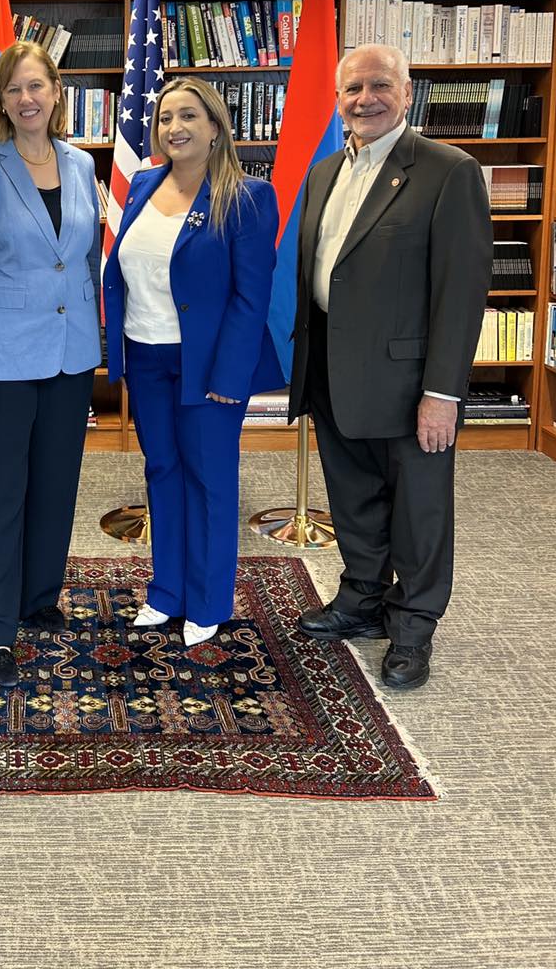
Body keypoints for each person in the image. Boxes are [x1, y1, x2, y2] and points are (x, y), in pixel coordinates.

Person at [289, 44, 493, 690]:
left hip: (410, 384)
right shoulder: (325, 171)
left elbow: (461, 292)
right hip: (332, 369)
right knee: (353, 499)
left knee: (418, 511)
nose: (365, 99)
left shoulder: (447, 170)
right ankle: (362, 600)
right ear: (337, 100)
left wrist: (443, 392)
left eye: (379, 85)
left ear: (406, 92)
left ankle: (412, 628)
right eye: (352, 89)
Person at [103, 78, 282, 645]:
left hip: (208, 363)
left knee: (209, 479)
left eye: (187, 116)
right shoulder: (144, 184)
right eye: (164, 118)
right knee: (162, 470)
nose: (173, 128)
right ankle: (167, 592)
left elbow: (252, 297)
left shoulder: (247, 197)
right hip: (145, 354)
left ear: (215, 128)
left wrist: (231, 376)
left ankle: (207, 600)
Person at [0, 42, 101, 688]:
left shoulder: (82, 164)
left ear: (56, 91)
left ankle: (38, 595)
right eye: (14, 89)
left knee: (54, 486)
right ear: (1, 101)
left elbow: (84, 261)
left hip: (70, 356)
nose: (27, 98)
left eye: (36, 85)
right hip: (0, 362)